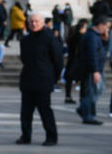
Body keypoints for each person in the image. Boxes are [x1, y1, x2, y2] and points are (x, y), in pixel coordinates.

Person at [16, 12, 63, 146]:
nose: (34, 24)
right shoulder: (25, 40)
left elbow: (58, 61)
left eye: (36, 21)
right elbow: (24, 59)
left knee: (45, 111)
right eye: (31, 21)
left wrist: (54, 78)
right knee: (26, 111)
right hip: (28, 79)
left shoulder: (50, 39)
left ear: (43, 23)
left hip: (44, 80)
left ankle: (51, 136)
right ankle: (25, 135)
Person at [76, 15, 110, 125]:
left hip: (96, 68)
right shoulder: (92, 36)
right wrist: (95, 71)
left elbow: (101, 51)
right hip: (92, 69)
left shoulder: (96, 36)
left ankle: (84, 109)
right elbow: (92, 54)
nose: (107, 29)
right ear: (100, 25)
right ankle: (87, 114)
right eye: (106, 27)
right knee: (92, 92)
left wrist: (105, 39)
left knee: (98, 90)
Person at [65, 18, 89, 104]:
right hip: (78, 61)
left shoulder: (72, 36)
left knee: (69, 80)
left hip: (71, 60)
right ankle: (82, 97)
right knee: (83, 80)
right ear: (82, 28)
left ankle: (68, 96)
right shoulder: (82, 37)